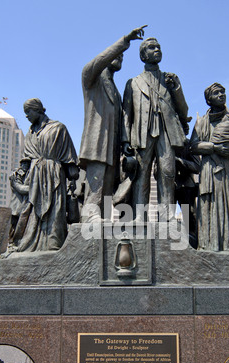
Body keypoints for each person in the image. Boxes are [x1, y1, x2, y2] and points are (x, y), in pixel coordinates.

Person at [78, 26, 147, 223]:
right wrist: (124, 41)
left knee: (107, 187)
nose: (120, 58)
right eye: (117, 56)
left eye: (122, 57)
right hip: (97, 142)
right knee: (96, 182)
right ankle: (90, 216)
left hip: (112, 146)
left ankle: (101, 218)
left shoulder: (114, 89)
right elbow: (97, 62)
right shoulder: (92, 79)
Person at [121, 37, 190, 222]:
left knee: (167, 173)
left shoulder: (170, 79)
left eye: (159, 47)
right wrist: (126, 140)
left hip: (166, 132)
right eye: (152, 47)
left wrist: (176, 89)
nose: (157, 50)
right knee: (141, 174)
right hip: (142, 134)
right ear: (143, 55)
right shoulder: (133, 83)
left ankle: (166, 217)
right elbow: (127, 114)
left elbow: (184, 110)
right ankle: (139, 217)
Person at [190, 83, 229, 251]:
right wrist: (214, 148)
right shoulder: (202, 122)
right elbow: (193, 146)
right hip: (210, 169)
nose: (221, 95)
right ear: (208, 100)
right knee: (211, 206)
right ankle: (209, 244)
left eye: (223, 92)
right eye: (217, 93)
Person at [14, 98, 79, 252]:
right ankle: (29, 242)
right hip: (34, 177)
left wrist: (73, 177)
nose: (26, 116)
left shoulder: (58, 128)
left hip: (54, 174)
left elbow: (69, 157)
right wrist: (19, 174)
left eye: (28, 112)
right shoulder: (30, 132)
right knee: (31, 211)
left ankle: (53, 242)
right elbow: (26, 160)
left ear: (37, 109)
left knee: (55, 208)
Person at [8, 157, 31, 245]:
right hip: (16, 205)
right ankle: (11, 242)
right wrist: (34, 188)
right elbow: (20, 188)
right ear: (21, 165)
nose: (26, 165)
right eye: (24, 163)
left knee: (21, 226)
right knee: (14, 226)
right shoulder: (16, 175)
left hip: (23, 206)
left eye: (27, 163)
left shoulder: (28, 175)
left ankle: (16, 242)